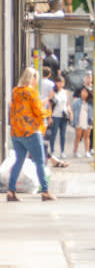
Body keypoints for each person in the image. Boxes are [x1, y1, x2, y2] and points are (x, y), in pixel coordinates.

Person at [7, 67, 55, 202]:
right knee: (40, 161)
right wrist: (48, 112)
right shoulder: (31, 92)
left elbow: (18, 109)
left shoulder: (15, 91)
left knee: (19, 161)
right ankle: (45, 191)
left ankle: (11, 191)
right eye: (36, 79)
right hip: (31, 131)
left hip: (16, 132)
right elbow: (38, 112)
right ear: (32, 78)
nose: (36, 81)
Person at [47, 82, 71, 168]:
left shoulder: (65, 92)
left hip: (63, 115)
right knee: (54, 133)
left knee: (63, 134)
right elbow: (49, 105)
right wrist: (50, 116)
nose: (60, 84)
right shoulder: (53, 92)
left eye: (62, 82)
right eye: (59, 82)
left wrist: (70, 112)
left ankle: (62, 151)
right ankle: (52, 150)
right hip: (55, 115)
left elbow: (68, 104)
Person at [71, 86, 91, 159]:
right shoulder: (77, 101)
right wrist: (73, 120)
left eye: (85, 92)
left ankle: (87, 152)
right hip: (79, 120)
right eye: (83, 92)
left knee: (87, 136)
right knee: (78, 136)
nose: (84, 93)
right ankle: (75, 151)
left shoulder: (90, 102)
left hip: (87, 120)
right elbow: (72, 109)